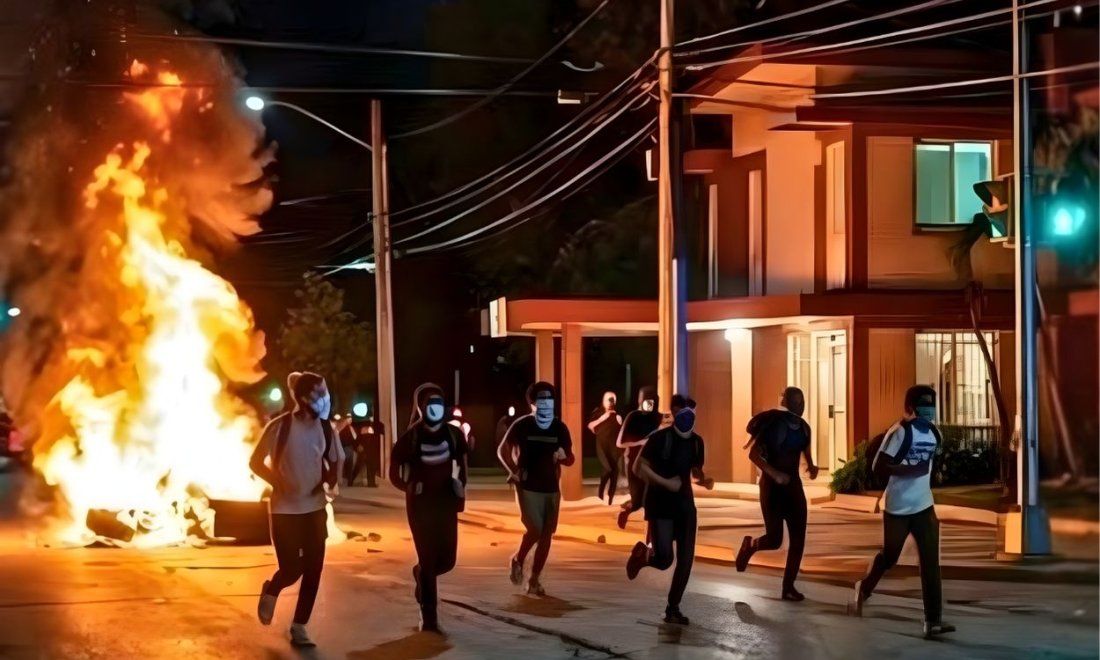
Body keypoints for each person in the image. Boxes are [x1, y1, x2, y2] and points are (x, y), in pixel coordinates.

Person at [849, 385, 954, 639]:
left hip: (924, 506)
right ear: (910, 409)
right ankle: (863, 588)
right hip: (897, 508)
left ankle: (933, 621)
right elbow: (878, 467)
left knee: (931, 562)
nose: (928, 413)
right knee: (890, 557)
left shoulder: (935, 434)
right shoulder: (899, 433)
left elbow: (929, 463)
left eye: (931, 407)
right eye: (923, 407)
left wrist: (931, 473)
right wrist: (908, 470)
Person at [250, 372, 343, 648]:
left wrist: (328, 483)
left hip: (314, 510)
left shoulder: (326, 429)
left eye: (325, 392)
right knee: (292, 569)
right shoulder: (280, 427)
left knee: (314, 569)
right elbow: (255, 461)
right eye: (319, 393)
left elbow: (337, 461)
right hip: (284, 511)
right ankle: (272, 589)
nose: (325, 399)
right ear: (303, 399)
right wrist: (275, 481)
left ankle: (300, 626)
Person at [390, 383, 468, 633]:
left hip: (445, 504)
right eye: (429, 403)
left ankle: (421, 573)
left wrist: (460, 488)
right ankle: (429, 615)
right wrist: (409, 487)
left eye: (439, 403)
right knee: (429, 559)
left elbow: (462, 466)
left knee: (447, 560)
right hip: (420, 506)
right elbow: (394, 470)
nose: (435, 408)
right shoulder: (411, 437)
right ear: (421, 407)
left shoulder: (454, 435)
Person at [625, 395, 705, 625]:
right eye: (682, 412)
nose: (687, 416)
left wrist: (703, 478)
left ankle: (673, 608)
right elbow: (639, 467)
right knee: (664, 559)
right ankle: (643, 556)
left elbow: (695, 470)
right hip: (660, 505)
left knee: (686, 559)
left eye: (691, 412)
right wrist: (665, 482)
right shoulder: (660, 438)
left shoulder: (697, 442)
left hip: (685, 506)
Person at [734, 387, 817, 601]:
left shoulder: (804, 428)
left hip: (794, 488)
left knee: (798, 539)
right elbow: (754, 455)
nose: (801, 405)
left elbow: (806, 452)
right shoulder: (776, 426)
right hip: (772, 488)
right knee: (775, 539)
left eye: (803, 401)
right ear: (787, 403)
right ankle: (750, 546)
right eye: (796, 401)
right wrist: (775, 474)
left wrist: (812, 466)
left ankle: (788, 587)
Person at [497, 381, 575, 596]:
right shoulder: (522, 425)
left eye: (549, 399)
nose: (546, 403)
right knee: (535, 529)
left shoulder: (559, 427)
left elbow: (570, 458)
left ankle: (534, 579)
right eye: (541, 400)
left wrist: (564, 457)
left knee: (547, 534)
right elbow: (502, 449)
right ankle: (518, 559)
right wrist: (513, 471)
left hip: (551, 487)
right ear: (532, 403)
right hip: (527, 485)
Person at [615, 386, 662, 529]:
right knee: (637, 501)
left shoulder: (658, 417)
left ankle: (651, 542)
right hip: (634, 465)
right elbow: (620, 442)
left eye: (652, 402)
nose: (649, 405)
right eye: (647, 401)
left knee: (652, 504)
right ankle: (627, 511)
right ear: (640, 401)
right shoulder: (633, 417)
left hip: (653, 465)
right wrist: (641, 442)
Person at [587, 391, 623, 505]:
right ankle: (601, 492)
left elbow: (621, 432)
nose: (610, 402)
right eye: (608, 399)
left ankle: (610, 500)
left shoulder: (618, 416)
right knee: (608, 468)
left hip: (614, 448)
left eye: (612, 400)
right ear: (603, 401)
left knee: (614, 472)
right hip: (602, 446)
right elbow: (590, 426)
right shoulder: (598, 413)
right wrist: (603, 418)